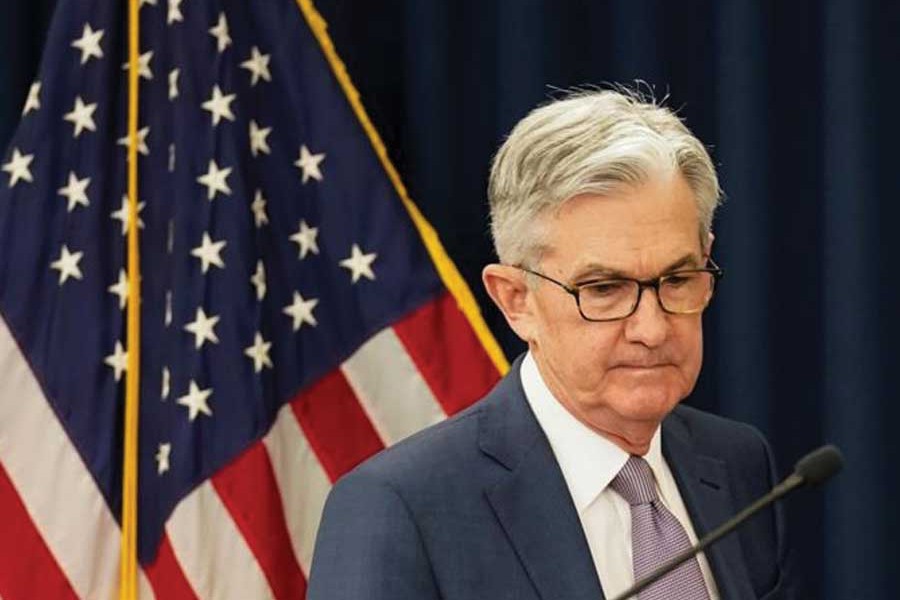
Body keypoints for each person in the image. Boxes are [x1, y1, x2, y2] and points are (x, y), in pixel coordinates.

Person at [307, 88, 798, 599]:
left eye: (677, 280)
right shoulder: (401, 507)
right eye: (604, 289)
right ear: (516, 300)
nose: (652, 330)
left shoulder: (739, 464)